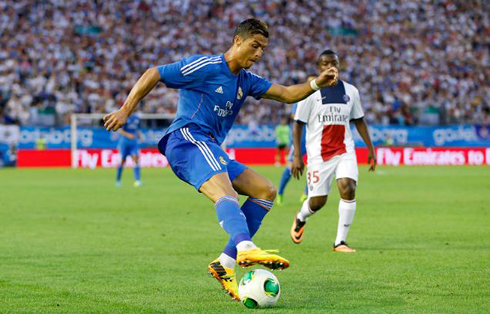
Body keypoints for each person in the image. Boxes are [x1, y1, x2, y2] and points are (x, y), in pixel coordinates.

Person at [103, 19, 338, 301]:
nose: (259, 53)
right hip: (186, 139)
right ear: (237, 40)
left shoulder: (246, 81)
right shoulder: (206, 67)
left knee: (265, 191)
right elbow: (154, 73)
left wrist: (316, 83)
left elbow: (287, 94)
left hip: (209, 148)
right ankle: (245, 247)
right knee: (225, 192)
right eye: (255, 46)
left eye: (263, 48)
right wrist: (125, 110)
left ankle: (224, 263)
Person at [290, 50, 376, 253]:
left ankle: (340, 242)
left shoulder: (351, 91)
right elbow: (298, 124)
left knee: (348, 187)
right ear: (319, 68)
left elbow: (359, 120)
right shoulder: (309, 92)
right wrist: (296, 155)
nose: (330, 67)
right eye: (325, 64)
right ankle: (301, 218)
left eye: (334, 63)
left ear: (339, 65)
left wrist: (371, 149)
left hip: (345, 150)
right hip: (318, 155)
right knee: (318, 202)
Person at [277, 75, 316, 206]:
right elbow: (294, 116)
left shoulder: (321, 100)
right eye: (309, 81)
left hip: (314, 139)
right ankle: (280, 192)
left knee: (314, 167)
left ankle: (306, 194)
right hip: (300, 139)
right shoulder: (301, 98)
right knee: (291, 167)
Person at [115, 113, 142, 187]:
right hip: (125, 143)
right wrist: (128, 135)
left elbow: (137, 129)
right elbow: (120, 131)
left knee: (136, 159)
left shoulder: (137, 118)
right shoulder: (124, 117)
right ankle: (118, 180)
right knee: (123, 161)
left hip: (134, 143)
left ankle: (137, 180)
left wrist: (140, 136)